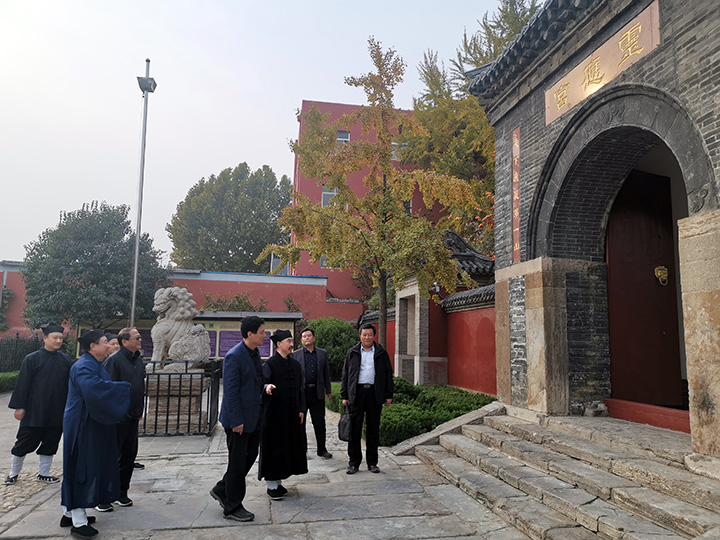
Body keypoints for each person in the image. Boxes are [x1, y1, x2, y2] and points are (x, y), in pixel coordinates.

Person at [61, 329, 130, 540]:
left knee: (87, 466)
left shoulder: (95, 364)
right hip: (82, 424)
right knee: (81, 469)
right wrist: (123, 388)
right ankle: (78, 522)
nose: (109, 345)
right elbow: (93, 390)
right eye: (105, 342)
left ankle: (69, 514)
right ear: (93, 346)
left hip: (92, 422)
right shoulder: (83, 366)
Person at [210, 316, 266, 522]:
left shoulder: (255, 352)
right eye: (262, 332)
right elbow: (231, 392)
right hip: (239, 420)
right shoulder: (234, 356)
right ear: (250, 334)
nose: (265, 335)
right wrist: (236, 421)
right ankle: (232, 506)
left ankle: (222, 488)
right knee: (237, 463)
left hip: (254, 416)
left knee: (249, 457)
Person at [4, 323, 73, 486]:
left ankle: (44, 473)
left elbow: (70, 385)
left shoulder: (65, 360)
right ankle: (13, 473)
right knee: (24, 442)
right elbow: (23, 384)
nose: (58, 341)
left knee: (51, 442)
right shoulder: (32, 359)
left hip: (57, 409)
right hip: (34, 410)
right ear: (45, 338)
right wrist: (20, 407)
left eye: (60, 338)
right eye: (55, 338)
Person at [98, 327, 145, 511]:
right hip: (117, 418)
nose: (140, 340)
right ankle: (103, 496)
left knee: (128, 456)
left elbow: (139, 386)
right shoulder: (114, 361)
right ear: (124, 342)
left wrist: (139, 409)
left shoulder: (138, 360)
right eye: (136, 338)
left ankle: (121, 492)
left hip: (133, 416)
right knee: (111, 457)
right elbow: (108, 389)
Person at [258, 329, 308, 499]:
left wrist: (301, 409)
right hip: (274, 416)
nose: (292, 344)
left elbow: (300, 389)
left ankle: (279, 482)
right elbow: (261, 384)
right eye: (289, 341)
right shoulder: (270, 364)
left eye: (292, 341)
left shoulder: (295, 364)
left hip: (291, 415)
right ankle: (271, 485)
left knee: (287, 447)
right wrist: (266, 388)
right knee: (274, 448)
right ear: (279, 344)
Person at [341, 323, 394, 475]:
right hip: (357, 393)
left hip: (374, 393)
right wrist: (344, 395)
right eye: (364, 335)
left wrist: (388, 394)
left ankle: (372, 463)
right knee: (354, 430)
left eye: (370, 335)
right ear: (360, 335)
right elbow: (346, 374)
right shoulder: (352, 352)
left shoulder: (381, 353)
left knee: (373, 429)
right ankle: (353, 463)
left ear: (374, 336)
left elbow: (388, 374)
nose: (367, 337)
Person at [290, 327, 333, 459]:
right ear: (301, 340)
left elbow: (326, 373)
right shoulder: (295, 355)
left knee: (319, 423)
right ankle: (301, 450)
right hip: (302, 394)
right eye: (304, 336)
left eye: (309, 336)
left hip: (317, 392)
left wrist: (328, 390)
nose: (307, 338)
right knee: (300, 423)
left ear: (313, 338)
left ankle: (322, 449)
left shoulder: (322, 354)